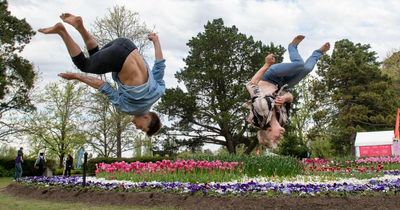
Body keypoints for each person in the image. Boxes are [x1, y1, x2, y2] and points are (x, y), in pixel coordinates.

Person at [38, 13, 166, 136]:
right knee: (84, 65)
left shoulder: (158, 91)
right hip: (118, 57)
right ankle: (62, 31)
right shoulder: (127, 108)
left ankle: (80, 27)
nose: (137, 127)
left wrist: (156, 41)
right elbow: (103, 85)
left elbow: (159, 66)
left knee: (94, 57)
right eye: (142, 128)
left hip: (127, 44)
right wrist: (77, 77)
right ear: (147, 117)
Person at [245, 35, 330, 147]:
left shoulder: (260, 111)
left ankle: (292, 46)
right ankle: (318, 52)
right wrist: (285, 98)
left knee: (299, 64)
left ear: (269, 131)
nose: (281, 137)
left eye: (276, 139)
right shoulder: (283, 120)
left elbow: (252, 84)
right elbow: (290, 97)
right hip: (282, 85)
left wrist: (267, 64)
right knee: (306, 69)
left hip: (270, 77)